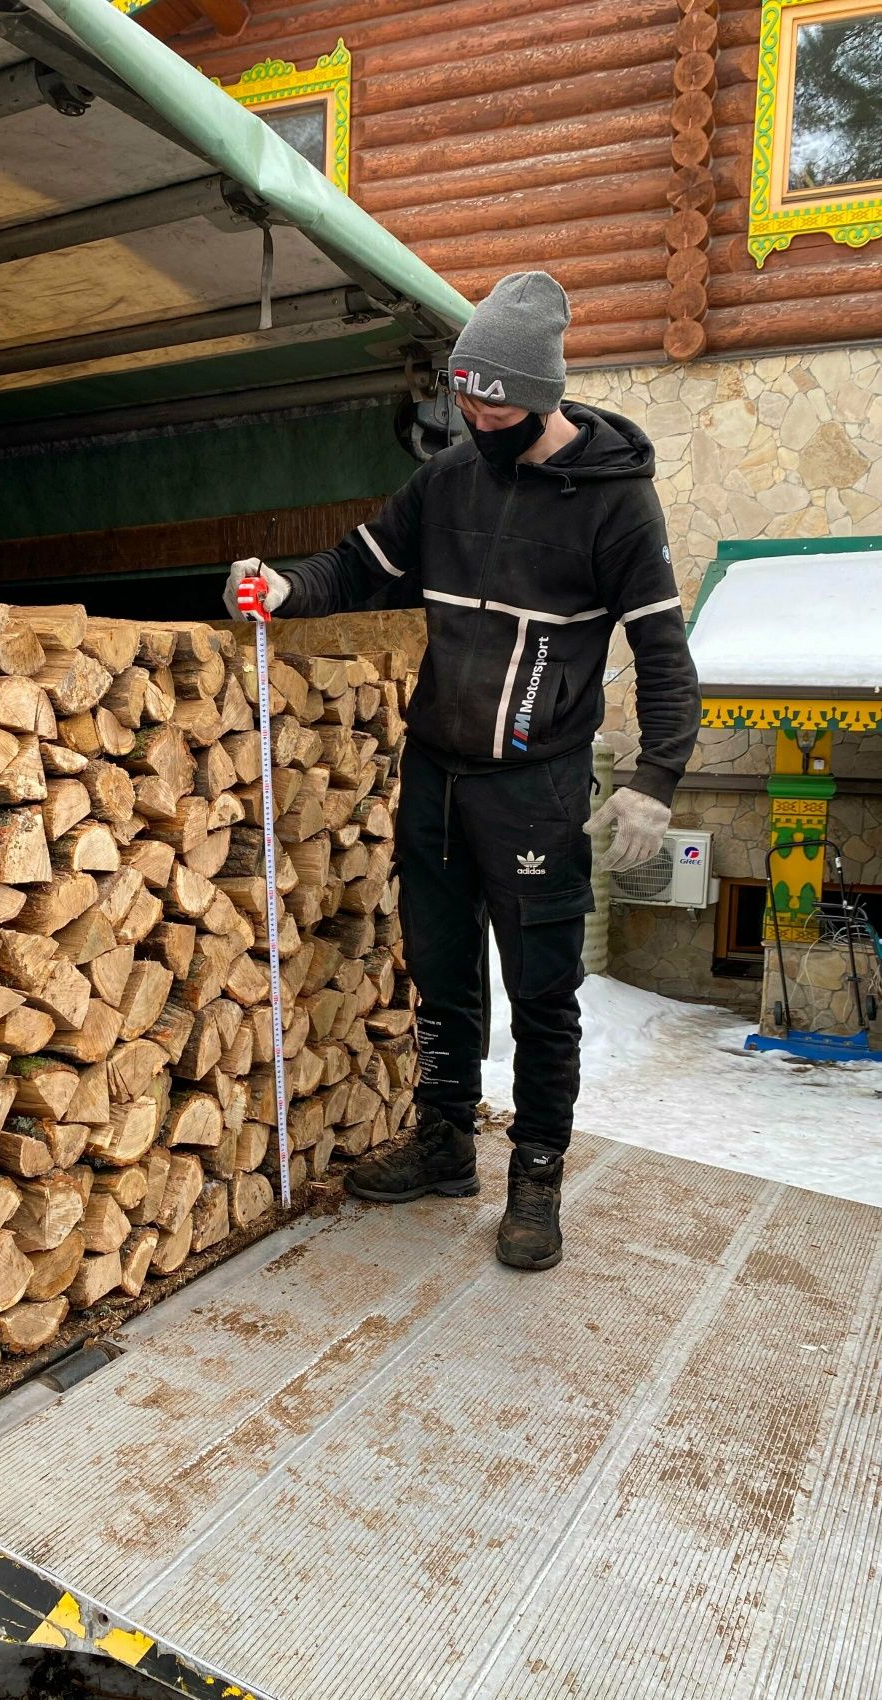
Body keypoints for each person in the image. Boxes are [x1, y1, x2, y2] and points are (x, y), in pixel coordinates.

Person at [224, 271, 700, 1272]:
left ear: (541, 393)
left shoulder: (617, 507)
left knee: (543, 991)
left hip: (537, 784)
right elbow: (357, 564)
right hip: (437, 772)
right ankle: (445, 1138)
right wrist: (283, 582)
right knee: (440, 972)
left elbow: (662, 651)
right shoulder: (450, 479)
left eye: (489, 398)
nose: (470, 413)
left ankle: (536, 1173)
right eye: (463, 394)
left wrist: (656, 774)